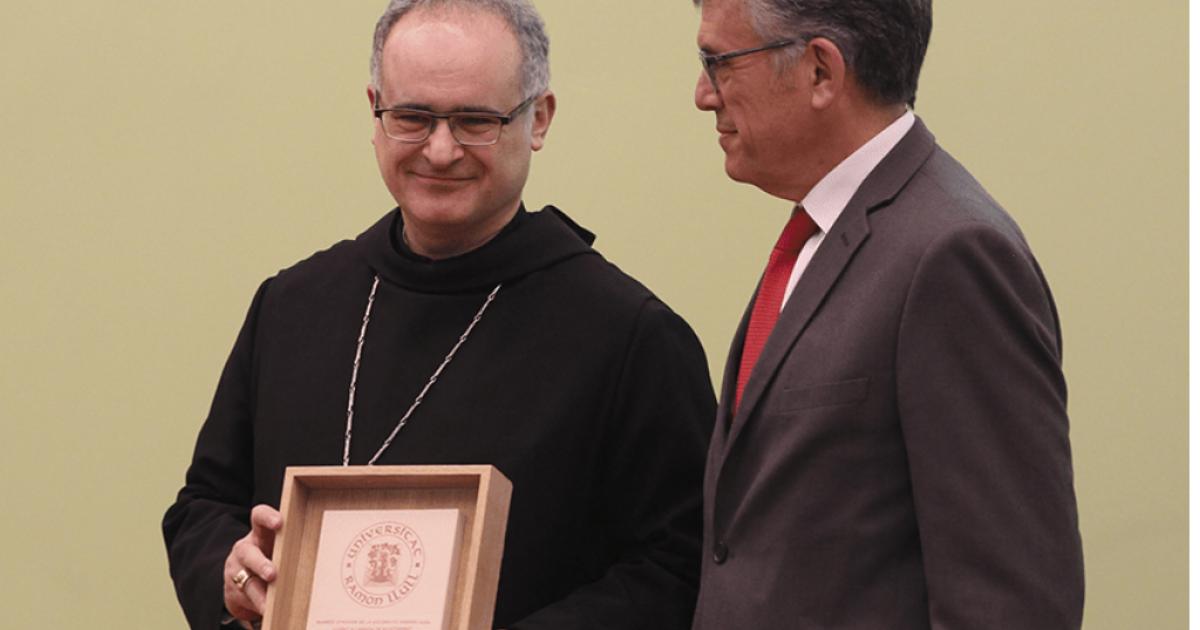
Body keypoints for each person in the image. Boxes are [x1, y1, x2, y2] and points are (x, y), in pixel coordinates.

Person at [162, 1, 716, 628]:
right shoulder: (292, 305)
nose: (441, 149)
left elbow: (679, 566)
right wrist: (232, 572)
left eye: (476, 120)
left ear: (539, 119)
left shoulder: (631, 336)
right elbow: (204, 505)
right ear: (376, 112)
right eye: (413, 117)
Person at [688, 0, 1085, 628]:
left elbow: (1009, 601)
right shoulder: (826, 235)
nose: (703, 95)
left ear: (821, 71)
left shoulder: (952, 255)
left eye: (719, 62)